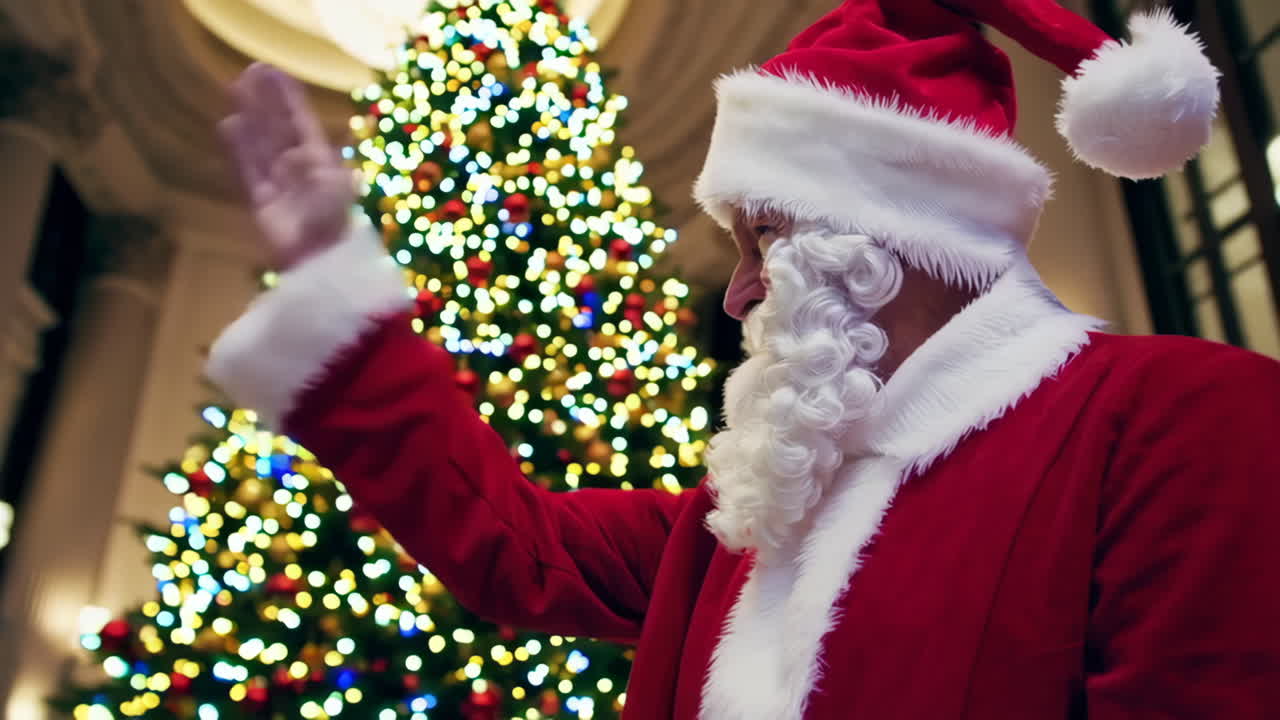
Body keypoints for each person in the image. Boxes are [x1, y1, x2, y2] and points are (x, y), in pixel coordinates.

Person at [208, 0, 1280, 717]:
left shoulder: (1182, 420)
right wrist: (337, 291)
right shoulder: (746, 524)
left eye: (762, 236)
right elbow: (512, 546)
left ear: (895, 225)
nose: (736, 292)